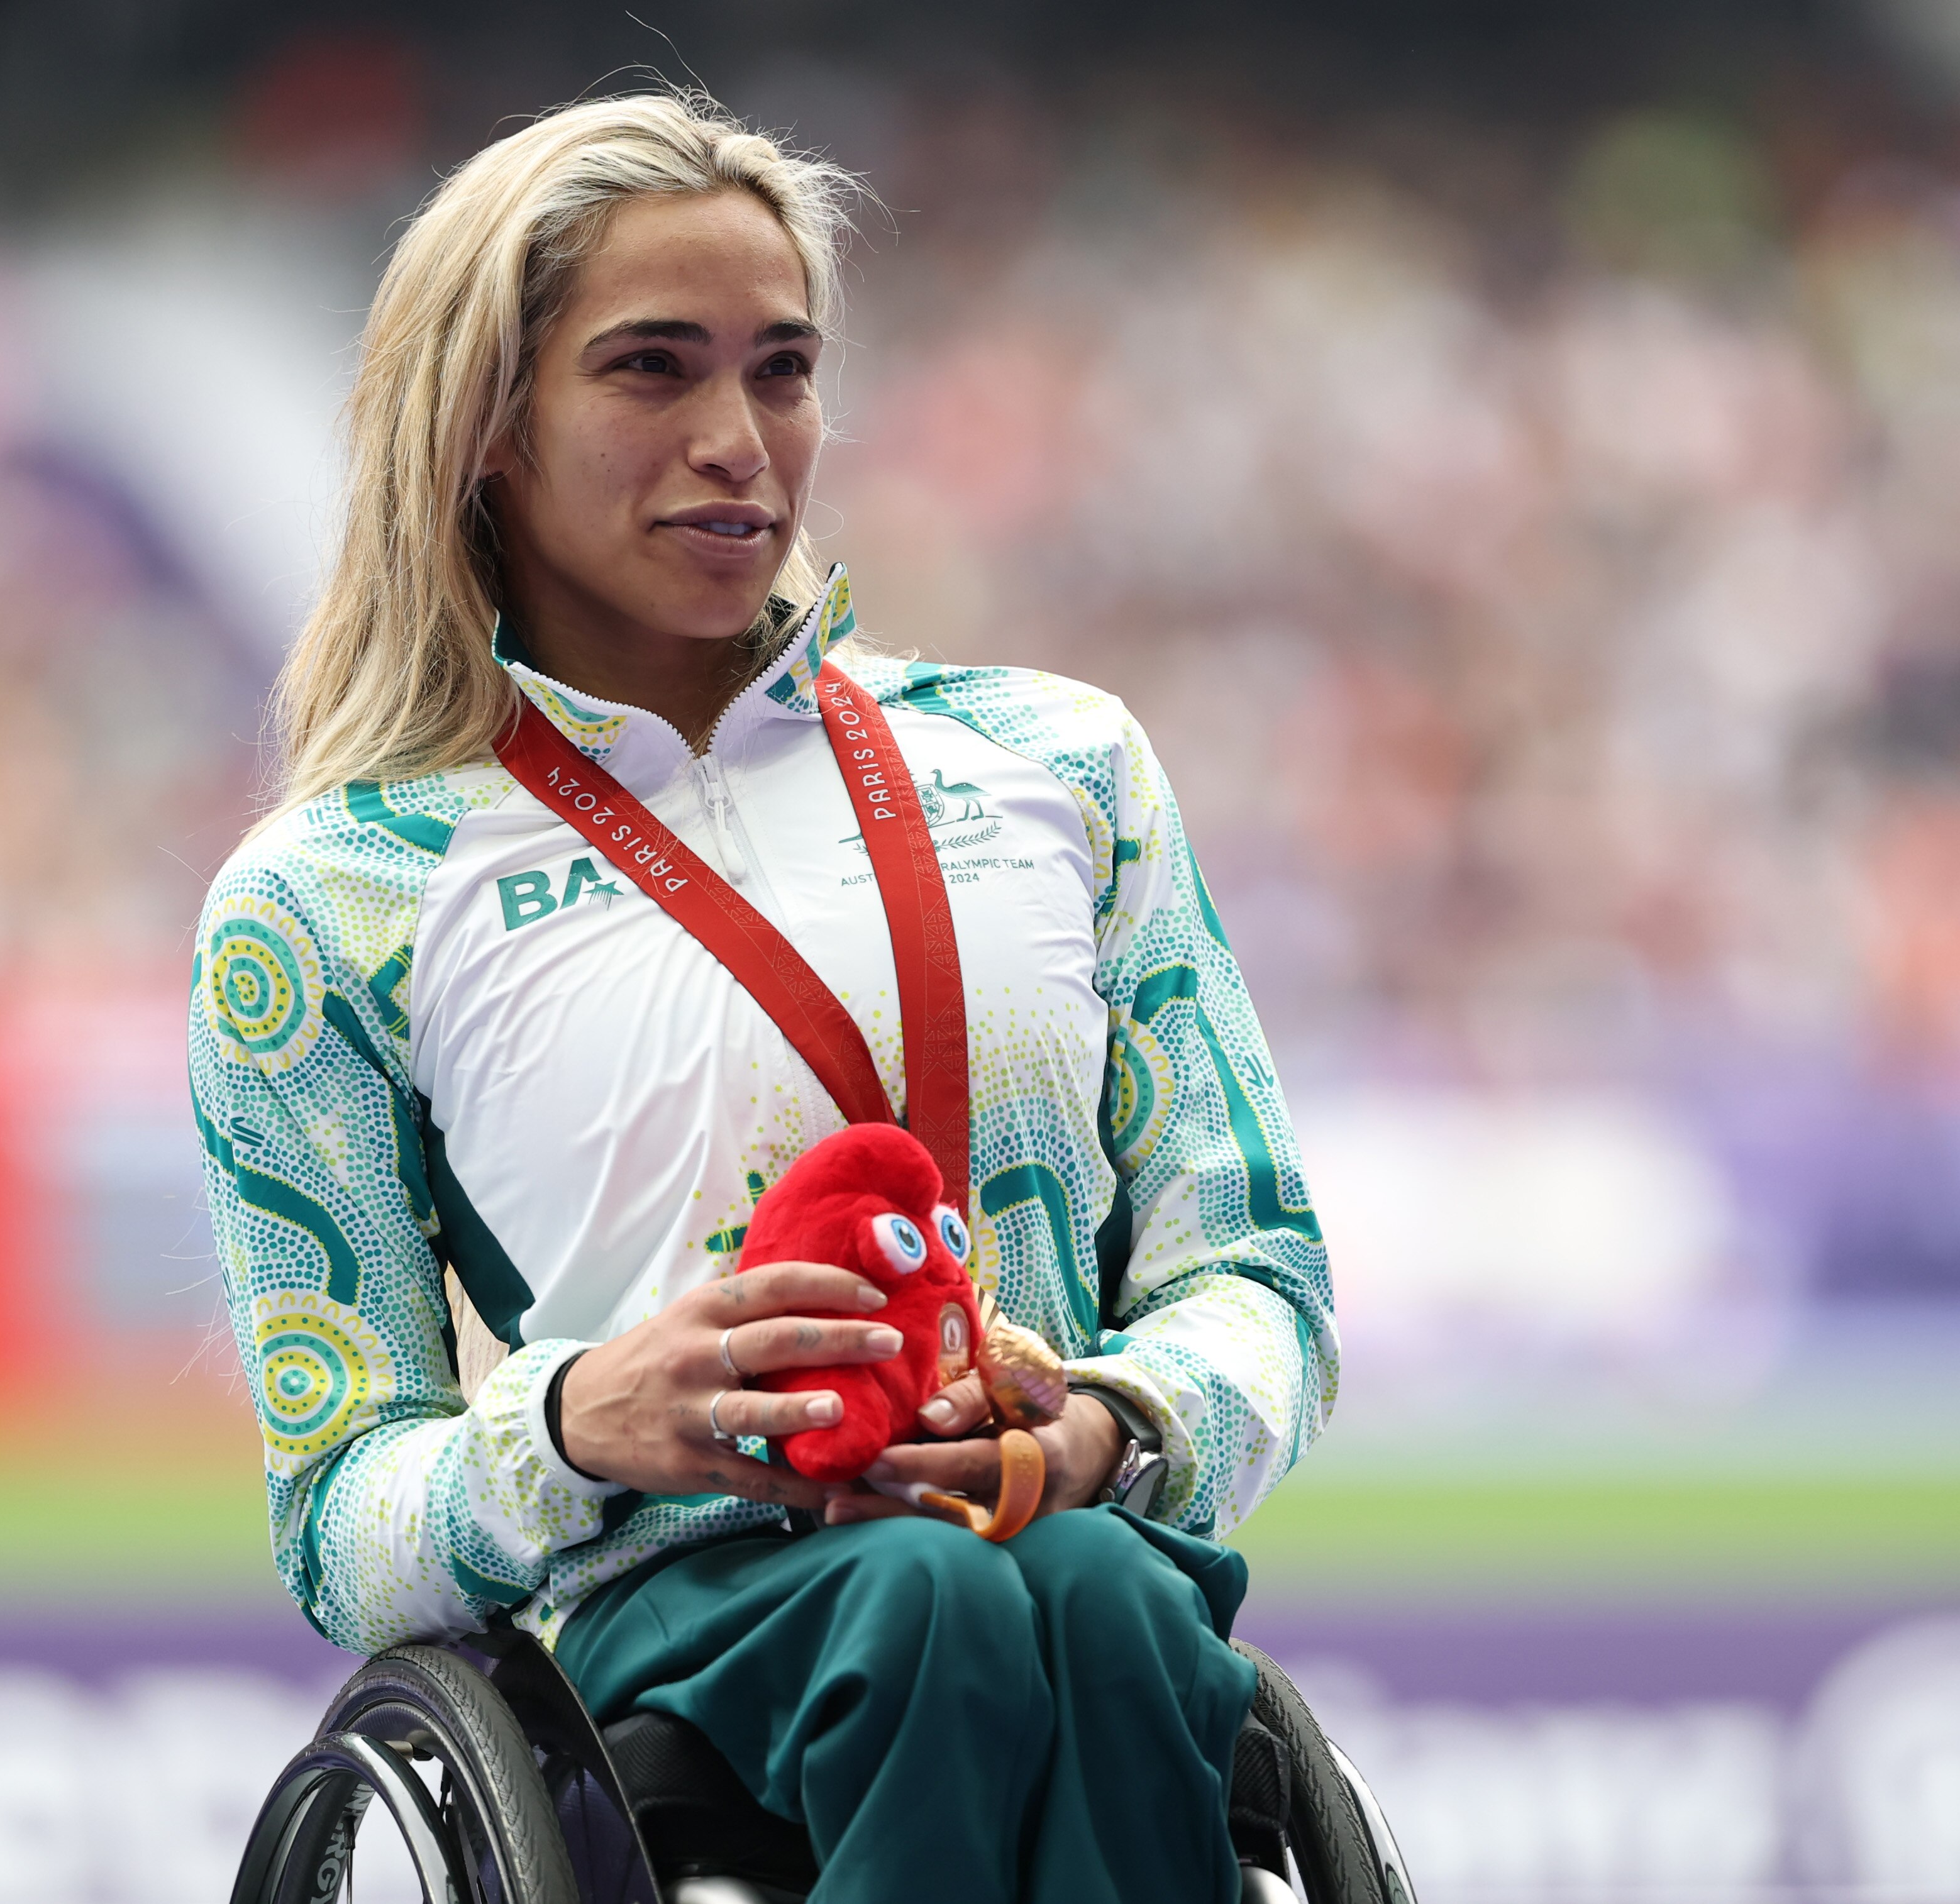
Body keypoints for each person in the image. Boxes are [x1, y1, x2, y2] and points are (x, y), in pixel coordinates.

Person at [189, 91, 1336, 1904]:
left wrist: (1111, 1424)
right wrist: (579, 1424)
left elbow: (1259, 1279)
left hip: (1071, 1553)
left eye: (780, 368)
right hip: (676, 1605)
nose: (737, 440)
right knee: (933, 1601)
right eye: (651, 369)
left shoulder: (1066, 765)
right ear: (487, 421)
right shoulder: (330, 901)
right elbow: (339, 1525)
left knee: (1091, 1588)